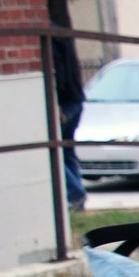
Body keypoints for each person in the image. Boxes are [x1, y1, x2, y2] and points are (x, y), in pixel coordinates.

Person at [51, 32, 87, 211]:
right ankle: (77, 201)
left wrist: (57, 104)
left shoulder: (51, 40)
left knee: (55, 153)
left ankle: (75, 194)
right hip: (76, 100)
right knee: (67, 152)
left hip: (65, 104)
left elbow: (59, 73)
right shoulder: (62, 36)